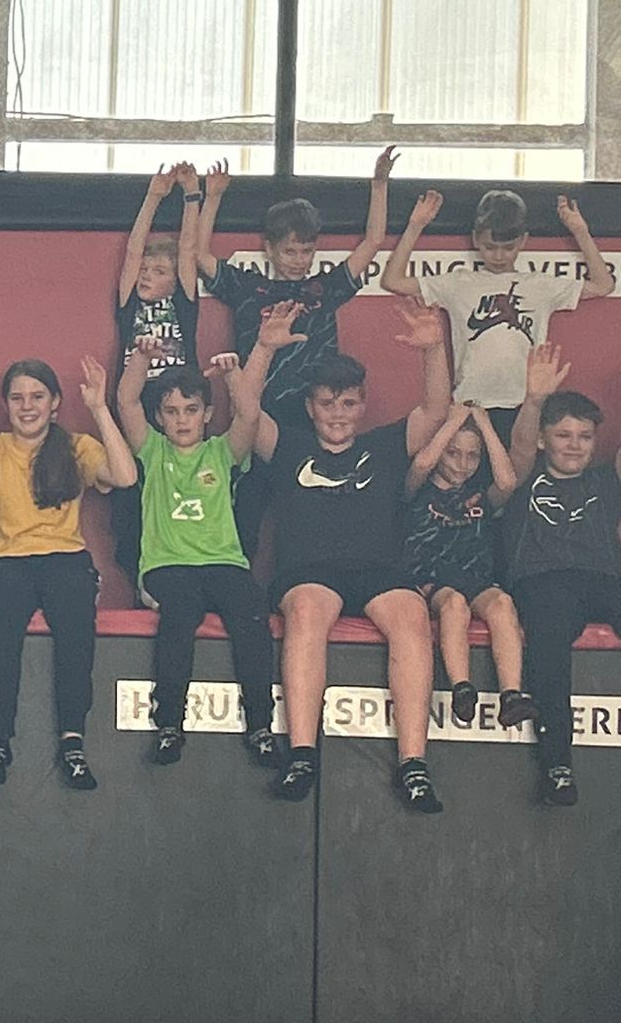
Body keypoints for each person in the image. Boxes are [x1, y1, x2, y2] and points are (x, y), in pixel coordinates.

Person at [249, 299, 453, 811]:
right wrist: (263, 349)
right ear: (311, 407)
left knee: (412, 614)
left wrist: (433, 350)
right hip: (309, 573)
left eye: (348, 404)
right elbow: (246, 414)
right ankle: (302, 753)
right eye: (327, 404)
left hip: (378, 571)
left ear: (361, 406)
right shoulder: (288, 445)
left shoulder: (385, 445)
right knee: (307, 610)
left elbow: (435, 411)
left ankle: (413, 762)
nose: (337, 414)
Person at [197, 150, 395, 550]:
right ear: (269, 249)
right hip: (258, 415)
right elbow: (199, 255)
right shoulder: (247, 288)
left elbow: (374, 241)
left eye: (306, 252)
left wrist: (379, 185)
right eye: (290, 251)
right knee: (246, 512)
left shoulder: (324, 289)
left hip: (313, 417)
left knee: (308, 513)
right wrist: (212, 196)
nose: (299, 260)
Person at [113, 310, 283, 769]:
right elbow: (126, 402)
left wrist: (232, 377)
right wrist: (140, 360)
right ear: (160, 418)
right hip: (167, 566)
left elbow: (249, 415)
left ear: (207, 414)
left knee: (252, 616)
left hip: (224, 563)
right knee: (179, 616)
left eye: (191, 410)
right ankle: (169, 725)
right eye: (171, 412)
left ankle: (261, 727)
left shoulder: (222, 452)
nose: (182, 419)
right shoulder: (152, 450)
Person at [0, 356, 138, 789]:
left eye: (37, 396)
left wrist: (99, 408)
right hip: (3, 559)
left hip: (63, 556)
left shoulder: (76, 447)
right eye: (17, 398)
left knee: (76, 629)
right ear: (6, 404)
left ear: (55, 402)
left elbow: (125, 476)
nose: (27, 406)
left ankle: (72, 741)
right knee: (3, 634)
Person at [381, 187, 613, 440]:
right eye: (490, 247)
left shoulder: (540, 285)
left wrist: (580, 231)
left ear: (523, 241)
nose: (499, 256)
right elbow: (393, 280)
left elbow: (603, 285)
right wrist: (415, 226)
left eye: (508, 248)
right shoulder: (458, 283)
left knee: (519, 464)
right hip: (469, 404)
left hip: (524, 404)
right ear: (476, 239)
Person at [501, 344, 621, 805]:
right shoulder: (523, 479)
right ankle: (557, 766)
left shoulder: (605, 480)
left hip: (603, 580)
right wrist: (534, 401)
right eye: (564, 435)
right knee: (548, 643)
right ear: (544, 440)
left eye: (584, 436)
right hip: (543, 582)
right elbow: (518, 447)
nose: (574, 444)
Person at [401, 403, 532, 730]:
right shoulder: (417, 489)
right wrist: (455, 419)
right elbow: (423, 462)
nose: (462, 464)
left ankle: (511, 694)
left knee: (502, 604)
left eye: (472, 456)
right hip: (431, 578)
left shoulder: (479, 495)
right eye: (453, 453)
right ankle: (462, 687)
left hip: (475, 577)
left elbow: (507, 482)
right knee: (454, 604)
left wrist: (485, 425)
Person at [110, 162, 204, 589]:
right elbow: (133, 252)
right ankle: (141, 580)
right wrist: (153, 196)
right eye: (146, 271)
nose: (147, 276)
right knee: (135, 494)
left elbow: (188, 251)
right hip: (137, 407)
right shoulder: (129, 306)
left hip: (178, 407)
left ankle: (186, 566)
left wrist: (191, 196)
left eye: (158, 272)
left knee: (181, 492)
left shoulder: (183, 304)